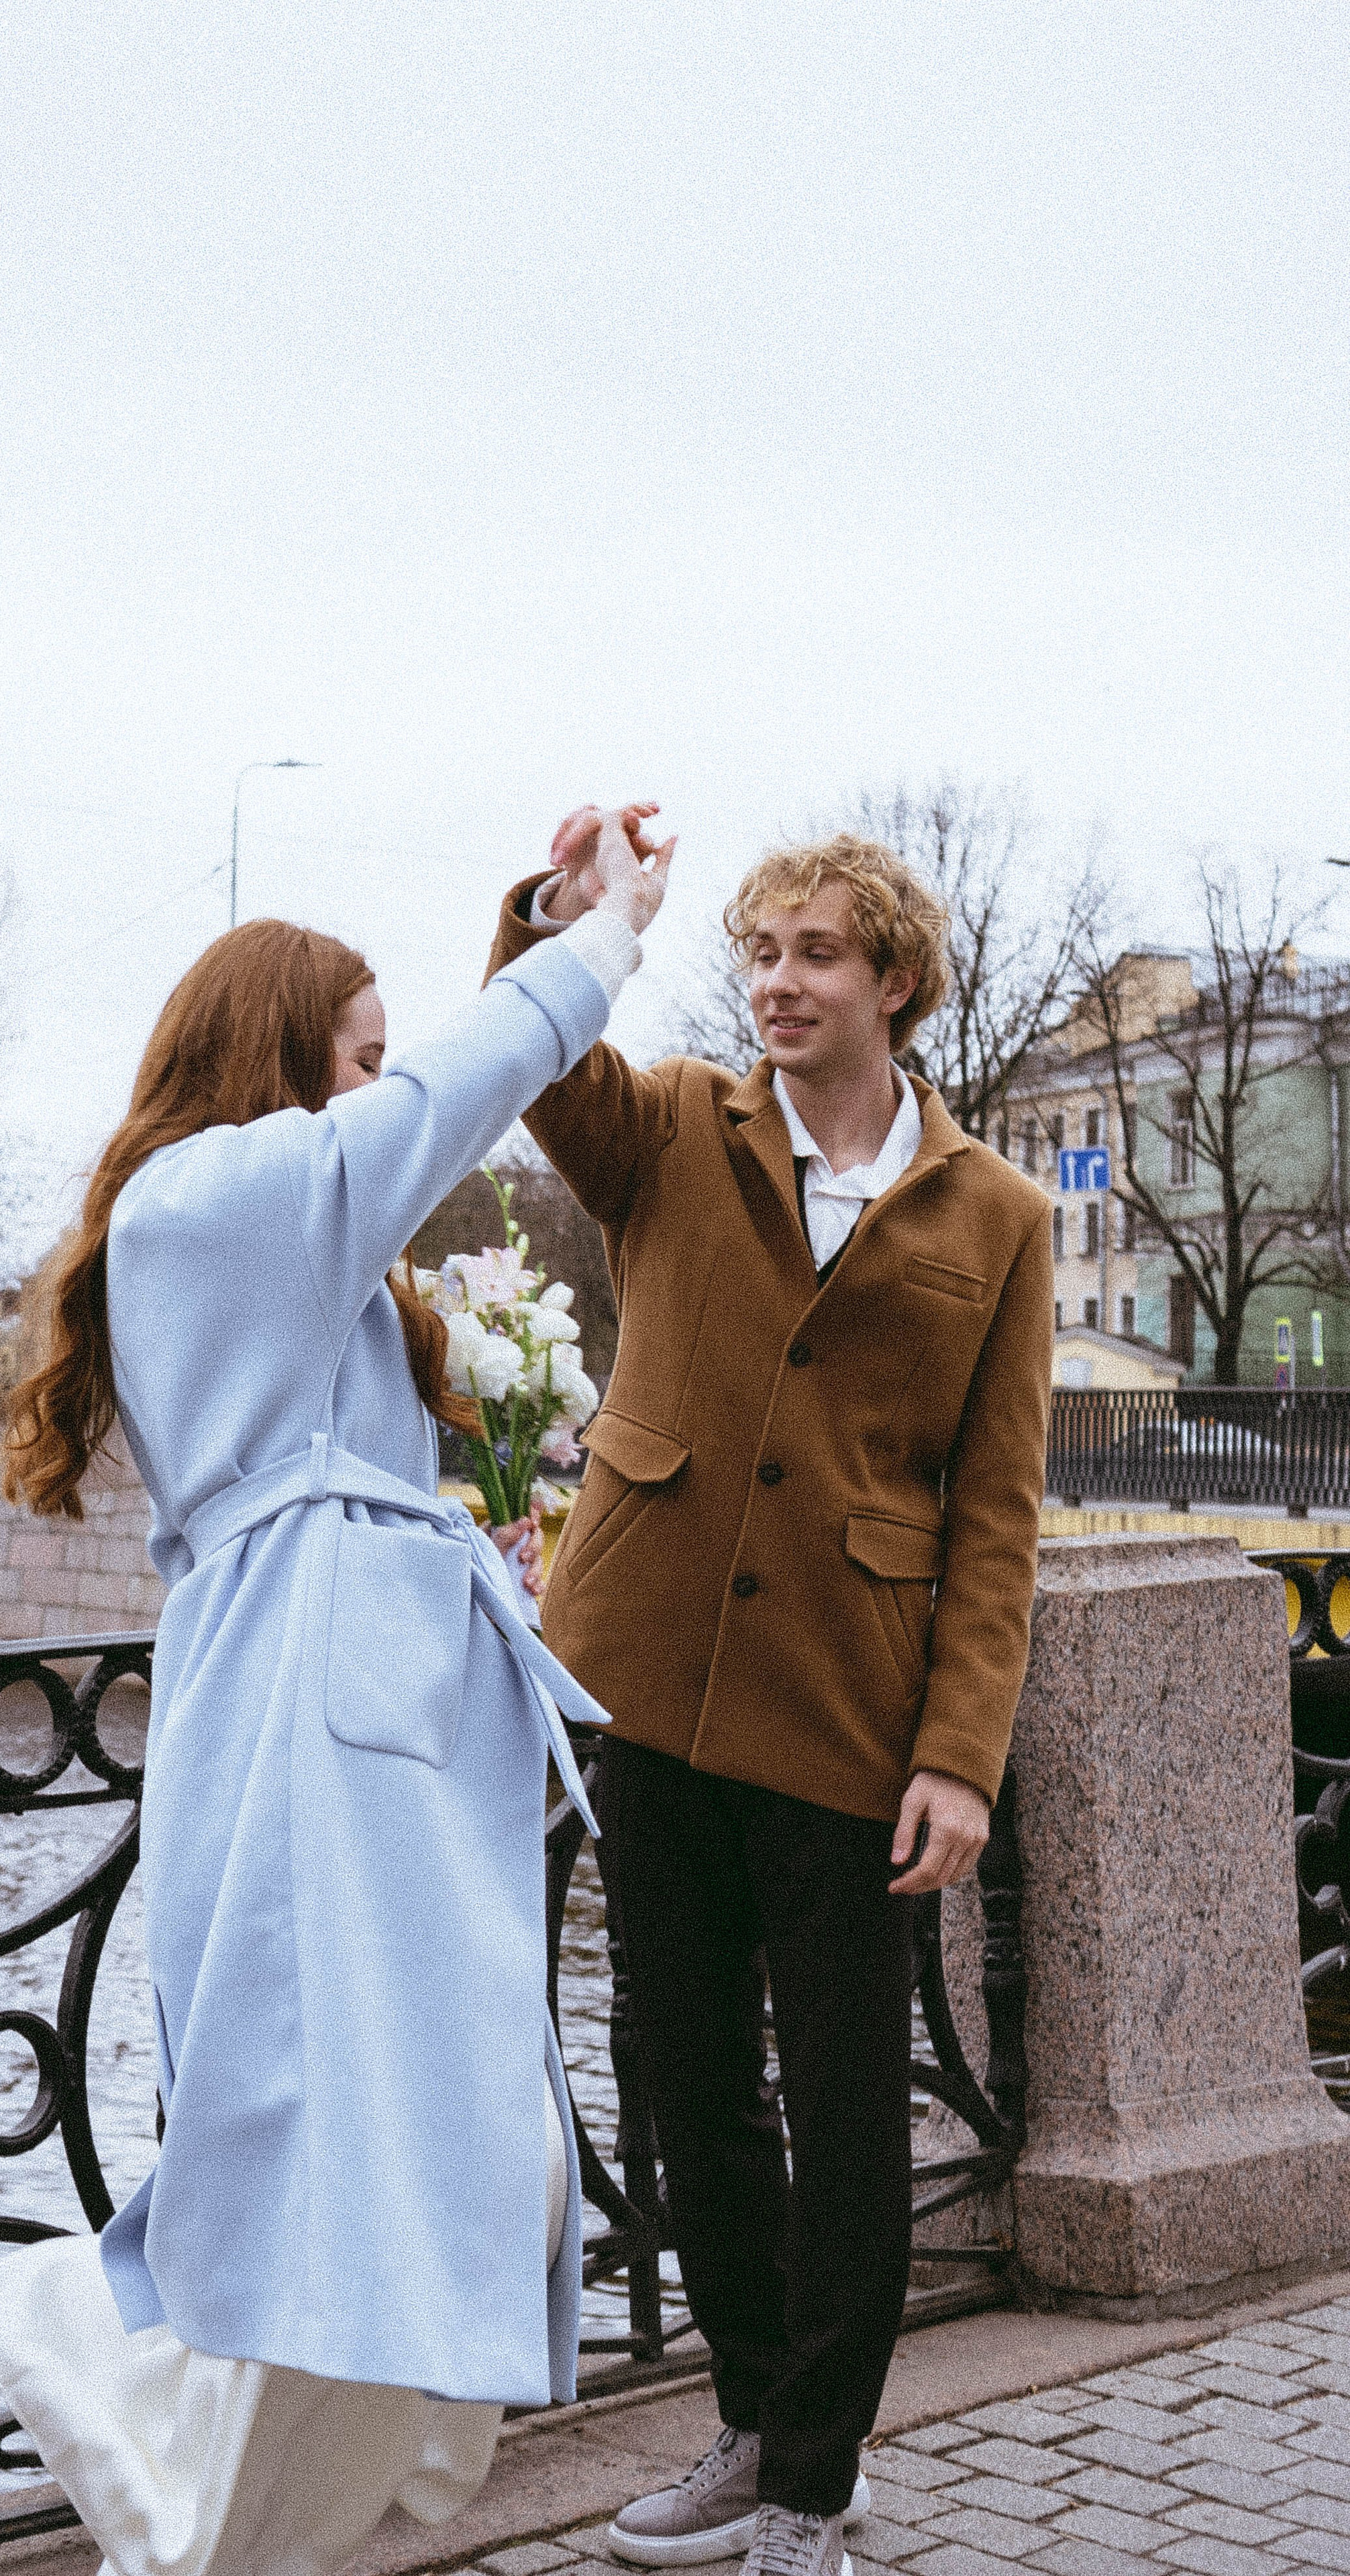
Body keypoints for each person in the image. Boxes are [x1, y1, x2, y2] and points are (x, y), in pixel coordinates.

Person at [0, 812, 671, 2576]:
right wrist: (596, 945)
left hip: (350, 1707)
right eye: (350, 1060)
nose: (373, 1092)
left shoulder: (265, 1234)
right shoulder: (207, 1199)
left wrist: (457, 1566)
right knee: (327, 2148)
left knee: (445, 2144)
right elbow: (434, 1109)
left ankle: (265, 2511)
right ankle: (107, 2367)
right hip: (302, 1716)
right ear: (271, 1055)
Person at [483, 813, 1053, 2576]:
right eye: (760, 953)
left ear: (895, 981)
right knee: (684, 2078)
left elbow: (998, 1512)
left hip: (844, 1711)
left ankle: (814, 2482)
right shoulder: (666, 1127)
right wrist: (563, 917)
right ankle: (753, 2420)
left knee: (848, 2106)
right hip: (648, 1687)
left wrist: (960, 1759)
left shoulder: (996, 1214)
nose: (778, 983)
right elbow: (537, 1054)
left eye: (816, 954)